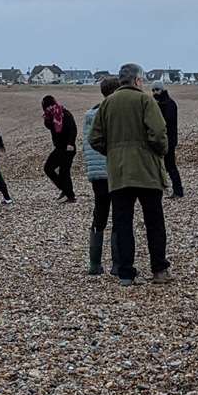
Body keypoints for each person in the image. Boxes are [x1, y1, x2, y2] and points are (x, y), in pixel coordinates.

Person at [88, 63, 172, 286]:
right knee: (154, 221)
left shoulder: (107, 104)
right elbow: (158, 133)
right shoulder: (145, 100)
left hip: (119, 172)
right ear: (137, 80)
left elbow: (94, 138)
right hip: (147, 171)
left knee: (123, 222)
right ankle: (159, 270)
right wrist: (159, 151)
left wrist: (113, 151)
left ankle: (126, 273)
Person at [83, 77, 120, 275]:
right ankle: (117, 264)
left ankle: (95, 264)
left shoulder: (90, 114)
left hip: (95, 172)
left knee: (100, 213)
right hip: (113, 169)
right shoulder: (112, 113)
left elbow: (87, 144)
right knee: (118, 215)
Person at [40, 96, 79, 203]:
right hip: (59, 147)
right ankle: (67, 192)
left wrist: (70, 144)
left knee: (58, 170)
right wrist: (47, 119)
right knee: (59, 171)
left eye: (49, 107)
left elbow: (73, 129)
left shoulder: (64, 113)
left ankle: (69, 194)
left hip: (68, 148)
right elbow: (51, 127)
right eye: (46, 108)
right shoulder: (50, 116)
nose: (48, 109)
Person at [153, 86, 185, 198]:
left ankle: (178, 190)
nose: (155, 92)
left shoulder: (169, 104)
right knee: (161, 165)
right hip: (162, 139)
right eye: (153, 90)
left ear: (162, 90)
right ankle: (162, 189)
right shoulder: (160, 103)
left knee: (170, 166)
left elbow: (166, 121)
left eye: (157, 90)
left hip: (169, 140)